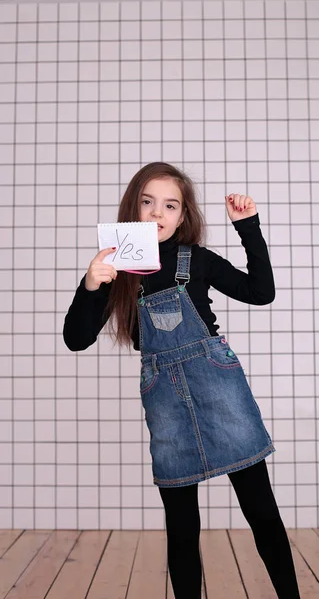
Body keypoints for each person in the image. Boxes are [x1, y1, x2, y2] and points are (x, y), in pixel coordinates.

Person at [63, 162, 300, 598]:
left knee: (260, 507)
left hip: (219, 388)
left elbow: (260, 292)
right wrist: (90, 285)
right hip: (165, 402)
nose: (157, 214)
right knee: (182, 524)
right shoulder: (115, 270)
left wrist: (248, 228)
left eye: (170, 205)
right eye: (147, 202)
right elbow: (76, 340)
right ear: (131, 207)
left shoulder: (198, 259)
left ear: (183, 214)